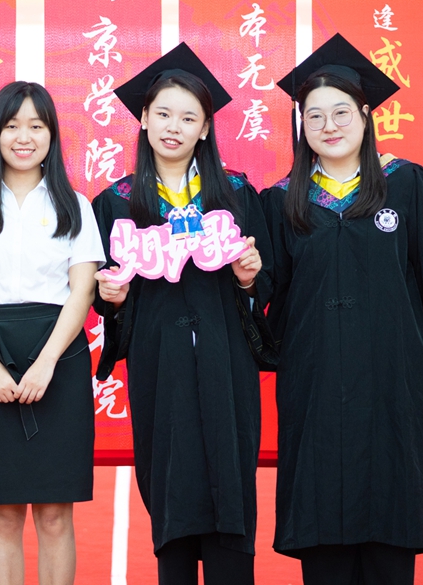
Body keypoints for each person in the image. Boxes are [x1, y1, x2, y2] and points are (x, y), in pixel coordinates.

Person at [260, 33, 423, 585]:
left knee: (391, 506)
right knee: (322, 511)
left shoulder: (408, 185)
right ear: (301, 125)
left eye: (341, 111)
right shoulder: (283, 200)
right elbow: (272, 293)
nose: (329, 125)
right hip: (315, 375)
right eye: (314, 115)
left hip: (393, 374)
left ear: (366, 116)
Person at [93, 43, 273, 585]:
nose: (174, 127)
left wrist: (250, 276)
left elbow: (266, 282)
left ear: (206, 128)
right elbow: (102, 295)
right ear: (144, 119)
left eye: (189, 117)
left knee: (230, 475)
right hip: (160, 360)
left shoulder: (235, 193)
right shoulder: (118, 202)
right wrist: (112, 298)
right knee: (170, 476)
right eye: (164, 114)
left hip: (226, 359)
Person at [0, 81, 104, 585]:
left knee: (55, 513)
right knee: (3, 511)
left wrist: (46, 363)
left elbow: (82, 291)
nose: (23, 137)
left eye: (36, 125)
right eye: (12, 126)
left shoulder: (74, 204)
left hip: (60, 358)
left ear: (52, 134)